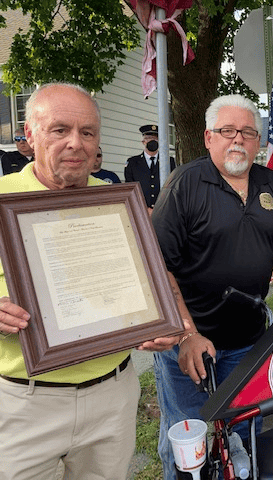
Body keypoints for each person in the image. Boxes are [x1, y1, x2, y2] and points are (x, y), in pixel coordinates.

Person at [0, 83, 186, 480]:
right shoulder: (3, 199)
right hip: (23, 404)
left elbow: (154, 279)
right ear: (30, 136)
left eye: (87, 133)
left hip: (112, 397)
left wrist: (168, 322)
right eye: (59, 130)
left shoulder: (120, 202)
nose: (76, 143)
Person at [151, 94, 273, 480]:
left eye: (247, 133)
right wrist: (187, 334)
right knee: (191, 444)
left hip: (249, 343)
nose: (237, 140)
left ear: (258, 141)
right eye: (227, 131)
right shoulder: (184, 184)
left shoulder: (270, 182)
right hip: (190, 347)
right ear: (208, 138)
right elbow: (157, 263)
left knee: (245, 436)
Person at [124, 124, 176, 210]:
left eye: (155, 139)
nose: (152, 141)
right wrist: (145, 209)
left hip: (163, 210)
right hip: (140, 210)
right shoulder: (132, 163)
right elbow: (129, 190)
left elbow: (173, 187)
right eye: (148, 138)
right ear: (143, 141)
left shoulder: (168, 161)